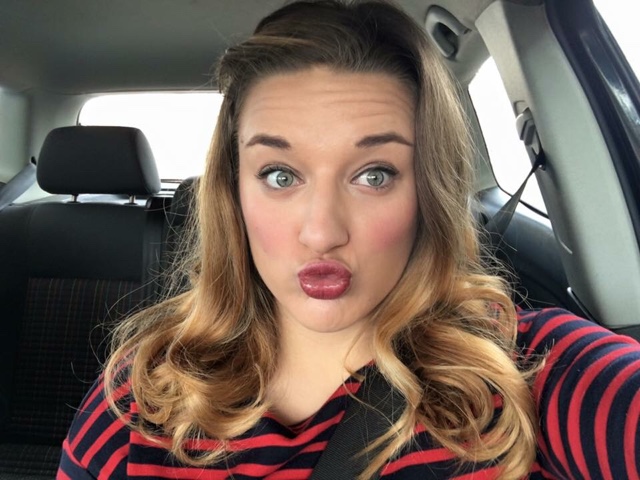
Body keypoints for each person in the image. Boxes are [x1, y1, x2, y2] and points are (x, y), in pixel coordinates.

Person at [58, 1, 640, 479]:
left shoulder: (528, 378)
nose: (322, 232)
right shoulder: (140, 402)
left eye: (374, 175)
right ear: (232, 194)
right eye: (279, 176)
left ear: (428, 193)